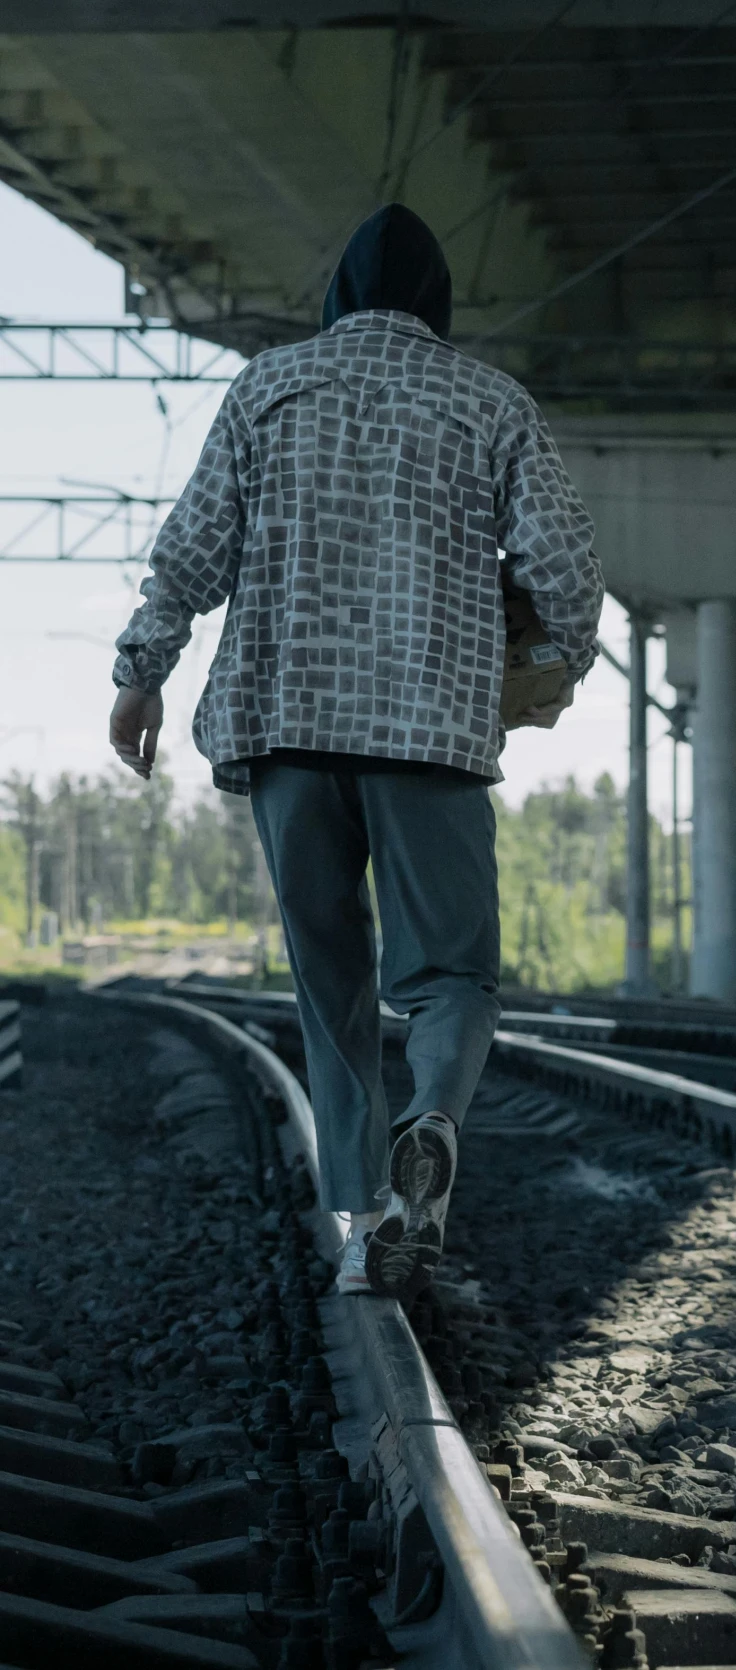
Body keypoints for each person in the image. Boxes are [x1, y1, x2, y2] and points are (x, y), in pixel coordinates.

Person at [108, 204, 603, 1299]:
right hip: (431, 731)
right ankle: (430, 1123)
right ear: (438, 306)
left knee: (331, 986)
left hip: (287, 728)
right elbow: (566, 567)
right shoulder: (489, 401)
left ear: (336, 298)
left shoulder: (266, 389)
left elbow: (192, 549)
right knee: (454, 975)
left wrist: (141, 672)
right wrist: (552, 659)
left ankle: (361, 1220)